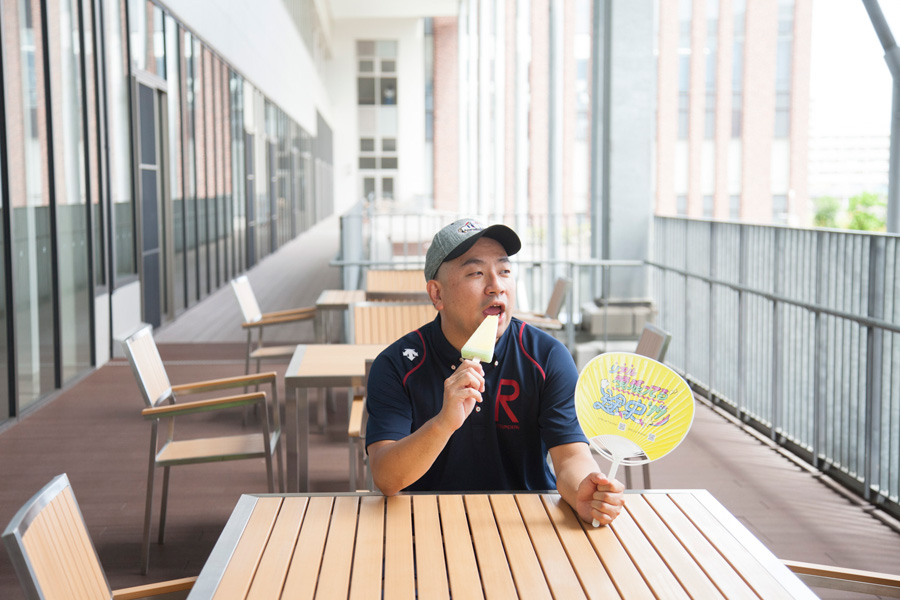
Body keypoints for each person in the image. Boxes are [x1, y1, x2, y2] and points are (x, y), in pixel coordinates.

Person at [365, 218, 625, 526]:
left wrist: (585, 488)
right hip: (425, 522)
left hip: (527, 522)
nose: (496, 286)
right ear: (437, 295)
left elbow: (570, 456)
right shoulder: (397, 364)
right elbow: (386, 478)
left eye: (504, 271)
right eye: (476, 273)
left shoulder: (547, 356)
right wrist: (443, 423)